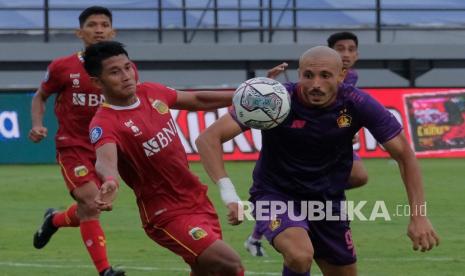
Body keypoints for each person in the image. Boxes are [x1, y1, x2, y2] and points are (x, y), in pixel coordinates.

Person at [196, 46, 439, 276]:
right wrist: (229, 194)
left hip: (327, 202)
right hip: (275, 194)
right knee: (300, 255)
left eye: (325, 75)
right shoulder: (277, 99)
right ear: (299, 73)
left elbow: (405, 155)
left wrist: (419, 215)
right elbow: (209, 139)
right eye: (308, 75)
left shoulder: (357, 103)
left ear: (342, 74)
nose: (315, 84)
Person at [85, 40, 244, 276]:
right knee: (230, 265)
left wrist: (244, 95)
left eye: (128, 67)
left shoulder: (151, 92)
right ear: (98, 82)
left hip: (196, 198)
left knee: (206, 270)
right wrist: (110, 180)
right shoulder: (104, 123)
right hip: (165, 214)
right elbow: (105, 159)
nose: (126, 76)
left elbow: (198, 100)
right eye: (115, 72)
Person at [244, 31, 367, 257]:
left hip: (331, 147)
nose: (346, 54)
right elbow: (296, 97)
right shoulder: (310, 83)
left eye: (351, 49)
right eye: (341, 49)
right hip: (303, 145)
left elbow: (342, 110)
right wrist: (269, 85)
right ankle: (259, 233)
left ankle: (301, 208)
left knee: (359, 176)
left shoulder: (352, 78)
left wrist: (346, 130)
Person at [29, 6, 130, 276]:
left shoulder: (124, 69)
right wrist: (38, 125)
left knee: (94, 205)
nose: (99, 29)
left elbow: (130, 105)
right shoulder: (62, 67)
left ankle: (55, 219)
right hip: (72, 145)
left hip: (106, 147)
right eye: (92, 24)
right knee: (91, 201)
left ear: (113, 31)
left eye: (104, 24)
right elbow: (40, 96)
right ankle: (105, 270)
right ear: (79, 32)